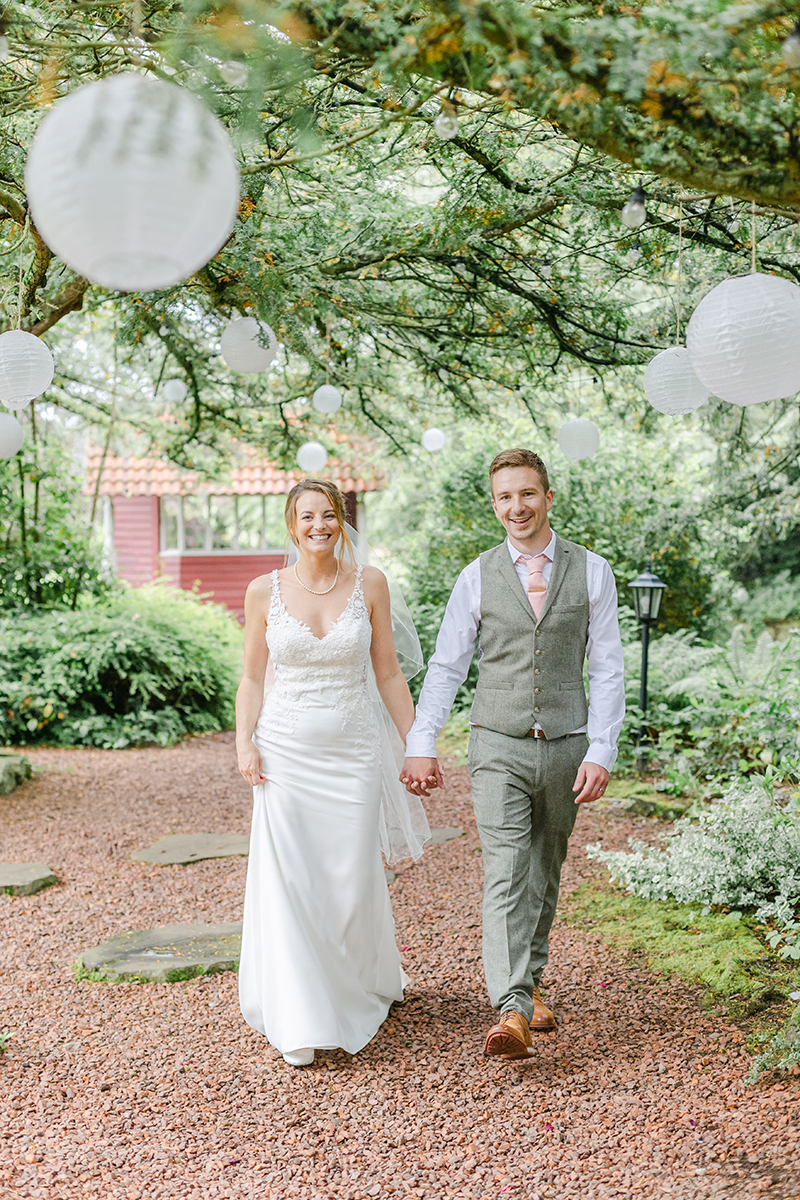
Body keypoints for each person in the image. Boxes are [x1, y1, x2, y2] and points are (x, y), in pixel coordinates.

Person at [400, 448, 625, 1060]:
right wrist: (421, 743)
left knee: (545, 867)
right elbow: (447, 669)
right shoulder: (475, 576)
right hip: (496, 743)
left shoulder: (593, 571)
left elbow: (607, 669)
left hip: (566, 744)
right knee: (506, 868)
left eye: (526, 494)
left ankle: (531, 980)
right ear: (494, 504)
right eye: (504, 497)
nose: (516, 507)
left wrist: (601, 749)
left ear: (548, 497)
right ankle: (511, 1008)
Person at [235, 479, 426, 1067]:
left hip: (353, 758)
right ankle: (301, 1015)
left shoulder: (370, 584)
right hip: (285, 756)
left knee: (347, 881)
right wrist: (244, 742)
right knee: (291, 882)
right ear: (292, 526)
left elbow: (390, 674)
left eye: (328, 515)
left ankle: (355, 981)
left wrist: (418, 743)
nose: (318, 525)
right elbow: (251, 679)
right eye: (306, 516)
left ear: (341, 521)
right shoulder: (262, 592)